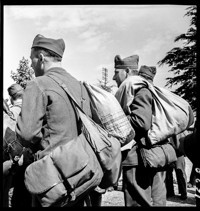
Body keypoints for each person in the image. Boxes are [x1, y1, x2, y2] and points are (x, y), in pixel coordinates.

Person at [15, 34, 103, 207]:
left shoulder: (38, 84)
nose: (31, 65)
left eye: (31, 59)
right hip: (80, 171)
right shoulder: (80, 86)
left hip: (52, 176)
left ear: (40, 58)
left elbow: (26, 134)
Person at [113, 55, 166, 206]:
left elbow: (141, 122)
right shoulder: (144, 88)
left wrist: (116, 122)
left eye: (116, 72)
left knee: (137, 202)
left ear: (127, 71)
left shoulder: (139, 90)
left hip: (140, 159)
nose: (113, 77)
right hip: (151, 156)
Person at [165, 131, 189, 200]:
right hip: (169, 150)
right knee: (168, 172)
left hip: (178, 151)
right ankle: (170, 192)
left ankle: (183, 192)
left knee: (180, 171)